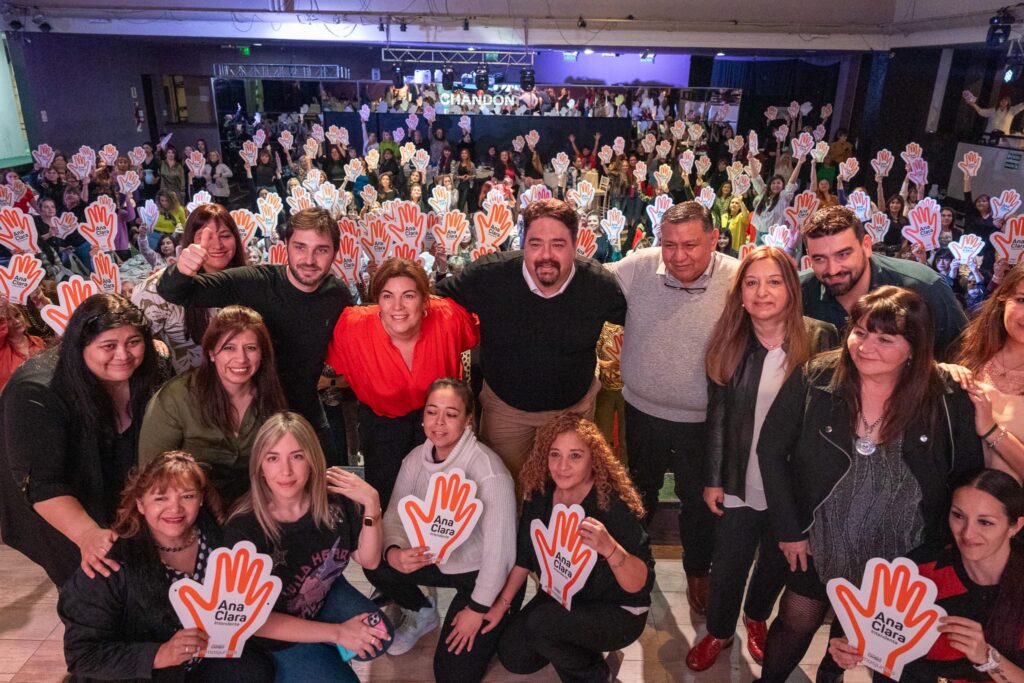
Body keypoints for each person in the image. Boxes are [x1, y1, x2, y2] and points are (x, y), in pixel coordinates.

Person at [755, 286, 985, 683]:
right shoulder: (816, 377)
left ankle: (831, 674)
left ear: (914, 347)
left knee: (872, 640)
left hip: (904, 550)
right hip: (819, 536)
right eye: (859, 331)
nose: (865, 346)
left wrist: (955, 545)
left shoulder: (946, 397)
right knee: (795, 620)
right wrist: (790, 531)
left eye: (884, 338)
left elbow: (965, 475)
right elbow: (771, 452)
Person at [688, 247, 838, 671]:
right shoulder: (729, 342)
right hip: (739, 478)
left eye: (774, 282)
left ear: (791, 289)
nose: (762, 292)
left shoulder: (821, 337)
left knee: (776, 561)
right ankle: (718, 631)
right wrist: (714, 478)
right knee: (729, 564)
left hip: (792, 485)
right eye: (751, 283)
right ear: (739, 294)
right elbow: (716, 418)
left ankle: (757, 617)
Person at [608, 201, 739, 613]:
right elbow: (588, 285)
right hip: (641, 411)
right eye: (669, 245)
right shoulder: (638, 266)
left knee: (699, 503)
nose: (678, 256)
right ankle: (633, 565)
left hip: (704, 422)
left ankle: (697, 570)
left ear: (714, 239)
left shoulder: (737, 279)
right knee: (637, 493)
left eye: (690, 245)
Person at [434, 198, 626, 479]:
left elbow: (636, 320)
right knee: (501, 488)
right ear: (524, 244)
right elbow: (437, 300)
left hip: (573, 410)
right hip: (506, 411)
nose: (545, 255)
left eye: (558, 244)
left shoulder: (599, 286)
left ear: (575, 246)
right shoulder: (490, 275)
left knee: (568, 493)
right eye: (535, 243)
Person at [58, 451, 275, 681]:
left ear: (201, 499)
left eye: (187, 496)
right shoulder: (110, 563)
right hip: (138, 675)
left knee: (254, 670)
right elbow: (82, 655)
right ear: (140, 504)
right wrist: (160, 654)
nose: (175, 509)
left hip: (202, 663)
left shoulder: (221, 541)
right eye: (161, 498)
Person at [157, 207, 352, 463]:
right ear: (286, 246)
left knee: (330, 485)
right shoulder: (255, 282)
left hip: (308, 412)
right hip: (254, 418)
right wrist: (182, 269)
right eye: (300, 247)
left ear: (335, 253)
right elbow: (177, 292)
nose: (309, 259)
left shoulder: (336, 294)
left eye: (321, 250)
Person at [0, 294, 161, 586]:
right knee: (90, 580)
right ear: (80, 345)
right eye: (108, 346)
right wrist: (86, 535)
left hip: (121, 487)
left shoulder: (153, 368)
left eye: (133, 342)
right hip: (59, 501)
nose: (123, 355)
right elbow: (42, 482)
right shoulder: (35, 392)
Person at [364, 379, 516, 681]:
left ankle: (503, 623)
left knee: (453, 675)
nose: (439, 423)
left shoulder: (490, 472)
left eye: (451, 414)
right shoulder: (414, 459)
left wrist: (478, 608)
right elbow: (393, 517)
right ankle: (421, 610)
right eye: (432, 412)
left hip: (481, 574)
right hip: (434, 558)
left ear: (468, 420)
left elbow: (501, 555)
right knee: (372, 558)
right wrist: (394, 553)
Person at [224, 412, 392, 682]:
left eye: (297, 456)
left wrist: (372, 504)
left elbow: (369, 560)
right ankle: (301, 661)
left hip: (320, 597)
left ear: (313, 460)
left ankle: (319, 653)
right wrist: (338, 633)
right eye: (273, 458)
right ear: (259, 466)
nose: (286, 471)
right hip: (273, 633)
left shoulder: (333, 499)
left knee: (380, 635)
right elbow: (251, 621)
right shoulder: (244, 530)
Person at [489, 413, 655, 683]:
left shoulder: (611, 504)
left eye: (575, 456)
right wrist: (502, 604)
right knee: (515, 657)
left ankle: (597, 676)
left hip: (617, 610)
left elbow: (639, 587)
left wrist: (610, 549)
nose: (562, 466)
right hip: (564, 595)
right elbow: (524, 559)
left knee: (540, 625)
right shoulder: (540, 494)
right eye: (555, 454)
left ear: (594, 459)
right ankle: (578, 644)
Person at [829, 469, 1024, 683]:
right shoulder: (920, 569)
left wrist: (986, 657)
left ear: (1015, 526)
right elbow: (873, 632)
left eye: (985, 522)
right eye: (958, 516)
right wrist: (852, 646)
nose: (968, 533)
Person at [325, 259, 478, 508]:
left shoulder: (448, 317)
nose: (398, 307)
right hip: (382, 426)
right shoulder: (352, 327)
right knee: (385, 500)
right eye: (387, 296)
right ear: (377, 301)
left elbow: (489, 326)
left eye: (408, 296)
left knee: (443, 501)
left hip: (440, 424)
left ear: (424, 299)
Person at [139, 306, 287, 505]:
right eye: (229, 348)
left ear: (262, 353)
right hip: (188, 509)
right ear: (211, 353)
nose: (241, 359)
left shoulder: (273, 394)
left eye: (250, 348)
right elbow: (151, 475)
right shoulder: (175, 398)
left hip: (256, 507)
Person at [800, 205, 967, 358]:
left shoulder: (925, 286)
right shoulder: (797, 291)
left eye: (843, 254)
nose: (833, 269)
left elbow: (965, 353)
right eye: (820, 259)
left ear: (866, 246)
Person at [133, 203, 248, 374]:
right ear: (189, 240)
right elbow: (134, 338)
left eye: (225, 235)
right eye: (205, 237)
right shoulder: (158, 287)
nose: (217, 244)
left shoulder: (249, 279)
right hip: (187, 388)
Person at [953, 266, 1024, 482]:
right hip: (949, 505)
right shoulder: (967, 350)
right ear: (1003, 296)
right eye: (1022, 300)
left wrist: (992, 430)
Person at [0, 297, 45, 391]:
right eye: (8, 319)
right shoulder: (2, 349)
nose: (16, 322)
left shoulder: (38, 341)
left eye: (17, 315)